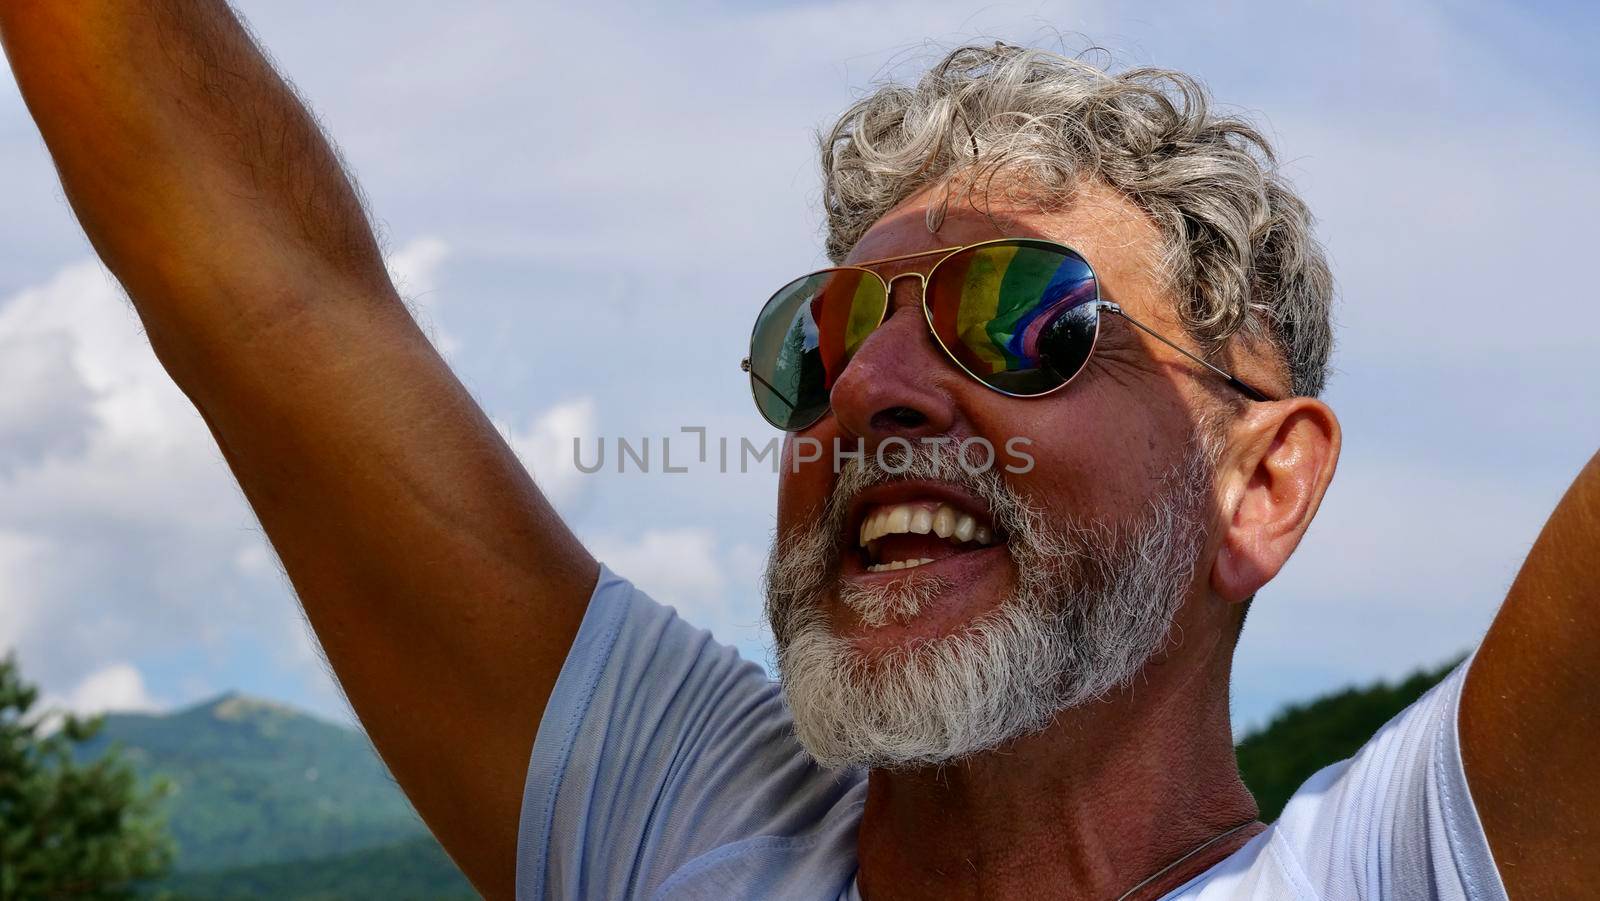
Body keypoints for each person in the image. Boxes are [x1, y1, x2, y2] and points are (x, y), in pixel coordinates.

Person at [2, 3, 1593, 899]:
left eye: (1019, 313)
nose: (870, 387)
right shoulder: (686, 821)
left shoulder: (1409, 875)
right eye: (819, 340)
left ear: (1262, 479)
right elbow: (269, 305)